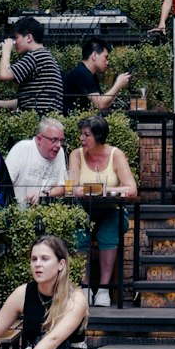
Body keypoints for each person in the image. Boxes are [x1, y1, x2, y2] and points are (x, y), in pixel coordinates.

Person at [67, 115, 138, 307]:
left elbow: (131, 189)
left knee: (108, 231)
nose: (81, 138)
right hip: (85, 211)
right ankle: (85, 287)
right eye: (81, 134)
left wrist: (107, 191)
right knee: (79, 232)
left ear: (98, 137)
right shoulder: (76, 154)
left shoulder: (116, 155)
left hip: (112, 210)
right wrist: (97, 189)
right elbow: (72, 188)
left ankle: (104, 289)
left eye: (86, 135)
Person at [0, 17, 64, 113]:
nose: (15, 42)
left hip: (40, 120)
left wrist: (6, 52)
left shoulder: (35, 57)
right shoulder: (44, 55)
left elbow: (4, 74)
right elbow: (24, 101)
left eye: (17, 37)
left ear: (28, 38)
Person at [5, 118, 68, 204]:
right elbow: (3, 185)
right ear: (39, 139)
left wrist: (44, 195)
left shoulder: (59, 152)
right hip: (17, 212)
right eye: (54, 140)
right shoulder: (21, 149)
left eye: (61, 140)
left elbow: (63, 186)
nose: (58, 145)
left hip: (47, 213)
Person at [62, 36, 131, 113]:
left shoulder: (91, 74)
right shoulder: (82, 73)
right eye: (106, 57)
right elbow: (100, 104)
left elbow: (105, 104)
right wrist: (118, 85)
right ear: (94, 55)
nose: (107, 62)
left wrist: (118, 87)